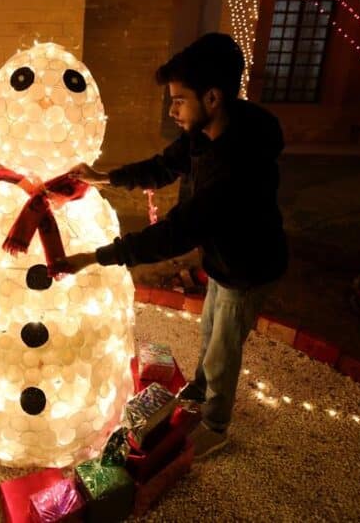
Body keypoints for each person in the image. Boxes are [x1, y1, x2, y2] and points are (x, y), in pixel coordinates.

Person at [62, 33, 288, 461]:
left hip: (248, 265)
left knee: (224, 344)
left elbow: (177, 232)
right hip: (223, 259)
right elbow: (164, 166)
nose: (173, 110)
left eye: (180, 100)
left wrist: (96, 258)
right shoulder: (203, 136)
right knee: (209, 328)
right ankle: (201, 389)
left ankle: (216, 425)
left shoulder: (237, 165)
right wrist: (106, 178)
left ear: (213, 97)